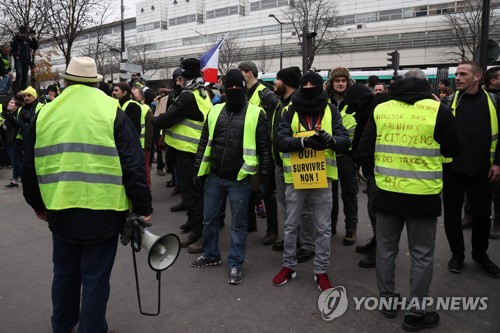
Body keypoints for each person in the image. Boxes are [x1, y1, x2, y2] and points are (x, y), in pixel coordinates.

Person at [22, 56, 152, 333]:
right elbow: (133, 162)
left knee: (65, 274)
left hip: (60, 208)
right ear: (96, 82)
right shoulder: (111, 109)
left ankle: (62, 326)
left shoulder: (45, 111)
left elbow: (29, 165)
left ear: (66, 81)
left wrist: (37, 204)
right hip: (104, 210)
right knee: (95, 279)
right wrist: (142, 205)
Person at [356, 70, 461, 331]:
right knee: (422, 255)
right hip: (423, 196)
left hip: (387, 193)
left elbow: (364, 150)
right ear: (426, 86)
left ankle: (388, 302)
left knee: (386, 250)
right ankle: (416, 313)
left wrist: (374, 176)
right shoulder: (437, 110)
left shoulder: (382, 108)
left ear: (398, 85)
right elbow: (453, 149)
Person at [190, 69, 272, 284]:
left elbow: (265, 149)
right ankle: (211, 255)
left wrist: (265, 180)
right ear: (224, 90)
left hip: (240, 179)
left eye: (237, 88)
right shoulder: (215, 111)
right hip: (215, 176)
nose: (234, 91)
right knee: (209, 219)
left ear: (244, 90)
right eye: (230, 88)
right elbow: (204, 143)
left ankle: (235, 263)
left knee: (238, 223)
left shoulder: (257, 114)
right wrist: (198, 170)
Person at [273, 72, 350, 291]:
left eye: (312, 84)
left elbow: (345, 141)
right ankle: (289, 266)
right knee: (290, 225)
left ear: (320, 87)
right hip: (296, 178)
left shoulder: (331, 110)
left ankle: (321, 271)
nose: (308, 86)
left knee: (323, 228)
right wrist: (305, 142)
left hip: (323, 177)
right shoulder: (290, 110)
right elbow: (280, 141)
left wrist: (330, 140)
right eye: (304, 84)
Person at [442, 61, 500, 277]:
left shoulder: (494, 102)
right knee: (452, 216)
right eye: (456, 74)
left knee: (483, 216)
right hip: (453, 171)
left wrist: (498, 163)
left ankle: (480, 254)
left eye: (463, 74)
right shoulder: (448, 102)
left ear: (477, 77)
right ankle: (457, 254)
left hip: (483, 171)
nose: (457, 77)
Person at [152, 58, 212, 253]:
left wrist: (153, 118)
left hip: (189, 152)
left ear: (184, 76)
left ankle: (201, 236)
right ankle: (197, 231)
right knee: (195, 194)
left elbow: (167, 120)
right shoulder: (200, 92)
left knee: (193, 195)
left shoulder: (188, 96)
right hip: (194, 151)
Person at [272, 66, 317, 263]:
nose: (275, 82)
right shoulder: (280, 103)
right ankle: (293, 238)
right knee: (285, 205)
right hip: (280, 164)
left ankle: (307, 244)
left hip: (298, 164)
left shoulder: (300, 105)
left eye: (277, 79)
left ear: (287, 82)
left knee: (305, 208)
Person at [238, 61, 279, 243]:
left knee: (266, 191)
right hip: (249, 148)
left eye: (241, 73)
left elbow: (275, 119)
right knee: (248, 188)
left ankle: (272, 230)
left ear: (248, 74)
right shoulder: (245, 93)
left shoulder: (265, 93)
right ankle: (250, 223)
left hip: (264, 149)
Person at [328, 67, 359, 245]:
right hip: (329, 153)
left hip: (348, 155)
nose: (340, 83)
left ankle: (350, 229)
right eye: (337, 80)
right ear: (331, 83)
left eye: (343, 80)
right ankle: (330, 226)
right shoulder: (324, 102)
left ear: (347, 82)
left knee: (349, 193)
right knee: (329, 194)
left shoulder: (355, 101)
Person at [483, 66, 500, 239]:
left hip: (495, 157)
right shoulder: (487, 99)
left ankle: (497, 223)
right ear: (493, 80)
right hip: (481, 157)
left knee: (497, 192)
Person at [1, 97, 23, 187]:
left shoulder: (17, 114)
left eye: (12, 103)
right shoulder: (8, 114)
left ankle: (22, 178)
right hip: (8, 141)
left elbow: (17, 127)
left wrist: (9, 118)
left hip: (14, 141)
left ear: (16, 106)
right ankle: (15, 180)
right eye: (9, 102)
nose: (9, 104)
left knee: (16, 161)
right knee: (14, 161)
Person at [10, 26, 38, 92]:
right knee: (19, 74)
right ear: (19, 32)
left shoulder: (27, 40)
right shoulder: (15, 39)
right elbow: (12, 49)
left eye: (24, 33)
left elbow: (35, 46)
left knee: (25, 76)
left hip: (26, 60)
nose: (23, 34)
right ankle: (18, 89)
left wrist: (33, 38)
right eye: (21, 33)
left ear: (26, 33)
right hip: (19, 60)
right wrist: (15, 55)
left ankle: (23, 89)